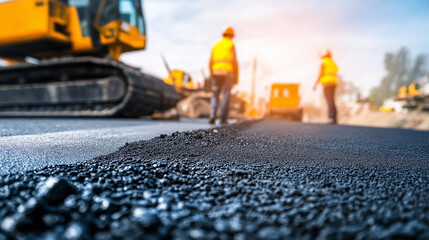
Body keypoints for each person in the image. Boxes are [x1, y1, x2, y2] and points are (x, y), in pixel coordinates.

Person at [208, 26, 239, 124]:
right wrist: (236, 77)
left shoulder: (216, 45)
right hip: (227, 72)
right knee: (226, 94)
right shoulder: (231, 44)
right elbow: (234, 61)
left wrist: (211, 73)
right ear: (231, 35)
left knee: (215, 95)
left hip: (216, 72)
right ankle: (222, 118)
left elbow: (210, 61)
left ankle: (212, 115)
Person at [313, 49, 338, 124]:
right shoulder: (332, 62)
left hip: (327, 83)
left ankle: (331, 117)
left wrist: (315, 84)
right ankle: (334, 117)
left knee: (329, 100)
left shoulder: (324, 62)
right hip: (333, 82)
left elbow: (321, 74)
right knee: (332, 99)